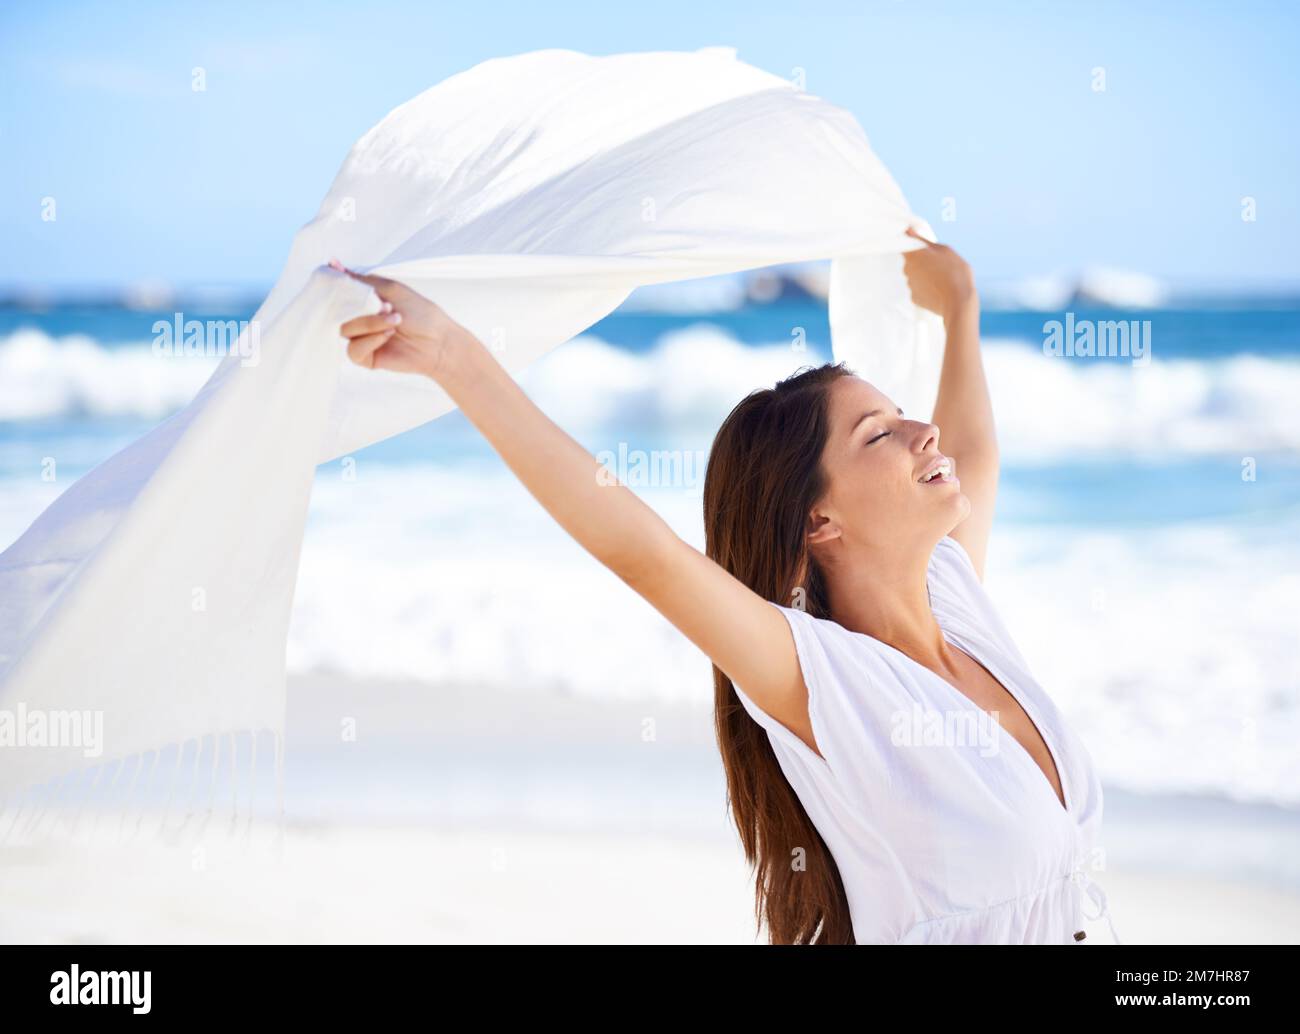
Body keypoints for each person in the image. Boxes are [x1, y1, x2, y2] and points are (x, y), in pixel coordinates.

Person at [330, 230, 1118, 945]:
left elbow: (974, 450)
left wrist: (961, 302)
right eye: (878, 433)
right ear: (819, 521)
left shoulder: (953, 598)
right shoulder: (824, 682)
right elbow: (646, 554)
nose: (924, 433)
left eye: (902, 414)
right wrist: (458, 361)